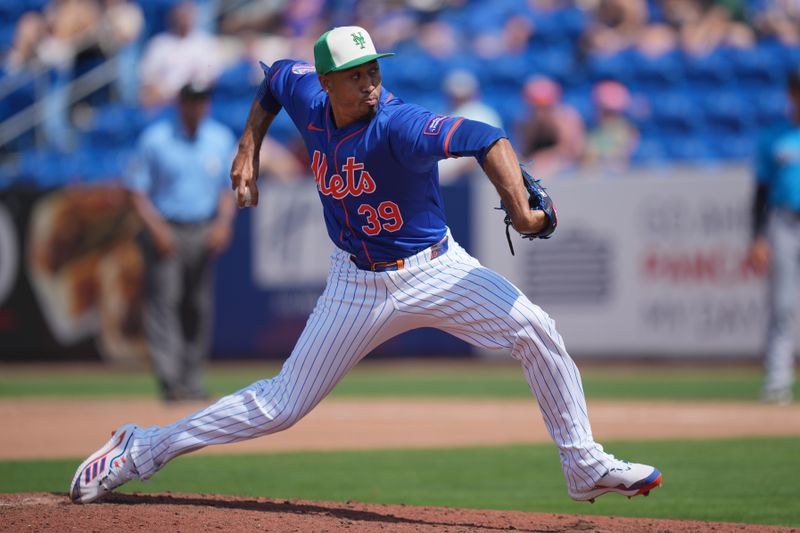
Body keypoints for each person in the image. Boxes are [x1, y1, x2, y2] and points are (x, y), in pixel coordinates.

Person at [69, 25, 661, 504]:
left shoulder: (397, 124)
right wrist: (248, 143)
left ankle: (583, 465)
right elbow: (275, 80)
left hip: (437, 270)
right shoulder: (306, 93)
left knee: (536, 329)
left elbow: (488, 138)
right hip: (355, 284)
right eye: (357, 74)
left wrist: (522, 212)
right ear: (328, 81)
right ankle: (140, 448)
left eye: (375, 68)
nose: (371, 81)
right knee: (281, 407)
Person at [125, 81, 237, 402]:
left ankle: (192, 379)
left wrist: (223, 224)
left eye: (202, 101)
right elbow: (136, 190)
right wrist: (156, 228)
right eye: (191, 101)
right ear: (180, 103)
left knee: (198, 306)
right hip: (167, 226)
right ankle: (170, 379)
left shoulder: (218, 138)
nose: (196, 107)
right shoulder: (156, 139)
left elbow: (226, 190)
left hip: (203, 227)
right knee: (165, 302)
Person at [747, 69, 800, 405]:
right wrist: (757, 237)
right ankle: (778, 378)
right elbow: (760, 193)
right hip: (784, 222)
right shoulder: (775, 138)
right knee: (782, 302)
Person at [517, 76, 586, 179]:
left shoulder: (566, 118)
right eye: (536, 106)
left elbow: (571, 151)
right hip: (537, 166)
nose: (540, 111)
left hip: (568, 167)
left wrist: (544, 157)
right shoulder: (525, 120)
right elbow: (525, 151)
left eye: (544, 106)